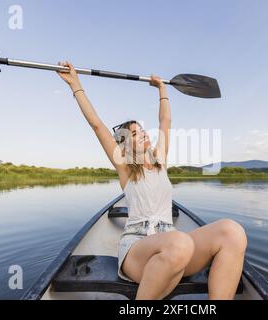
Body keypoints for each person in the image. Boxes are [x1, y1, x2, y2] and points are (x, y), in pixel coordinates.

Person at [57, 61, 247, 300]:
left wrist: (162, 89)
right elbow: (98, 125)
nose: (143, 133)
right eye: (134, 134)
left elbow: (165, 123)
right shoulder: (124, 167)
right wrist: (76, 85)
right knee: (180, 243)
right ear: (124, 145)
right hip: (138, 250)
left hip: (175, 248)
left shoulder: (160, 161)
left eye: (142, 130)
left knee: (232, 231)